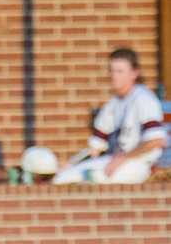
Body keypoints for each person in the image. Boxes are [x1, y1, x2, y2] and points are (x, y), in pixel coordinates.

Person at [53, 48, 166, 184]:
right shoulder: (113, 104)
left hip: (139, 164)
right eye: (111, 70)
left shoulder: (143, 98)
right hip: (115, 161)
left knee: (91, 177)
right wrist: (70, 164)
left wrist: (124, 158)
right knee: (63, 176)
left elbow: (156, 141)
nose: (114, 76)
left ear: (134, 73)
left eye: (119, 71)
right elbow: (96, 147)